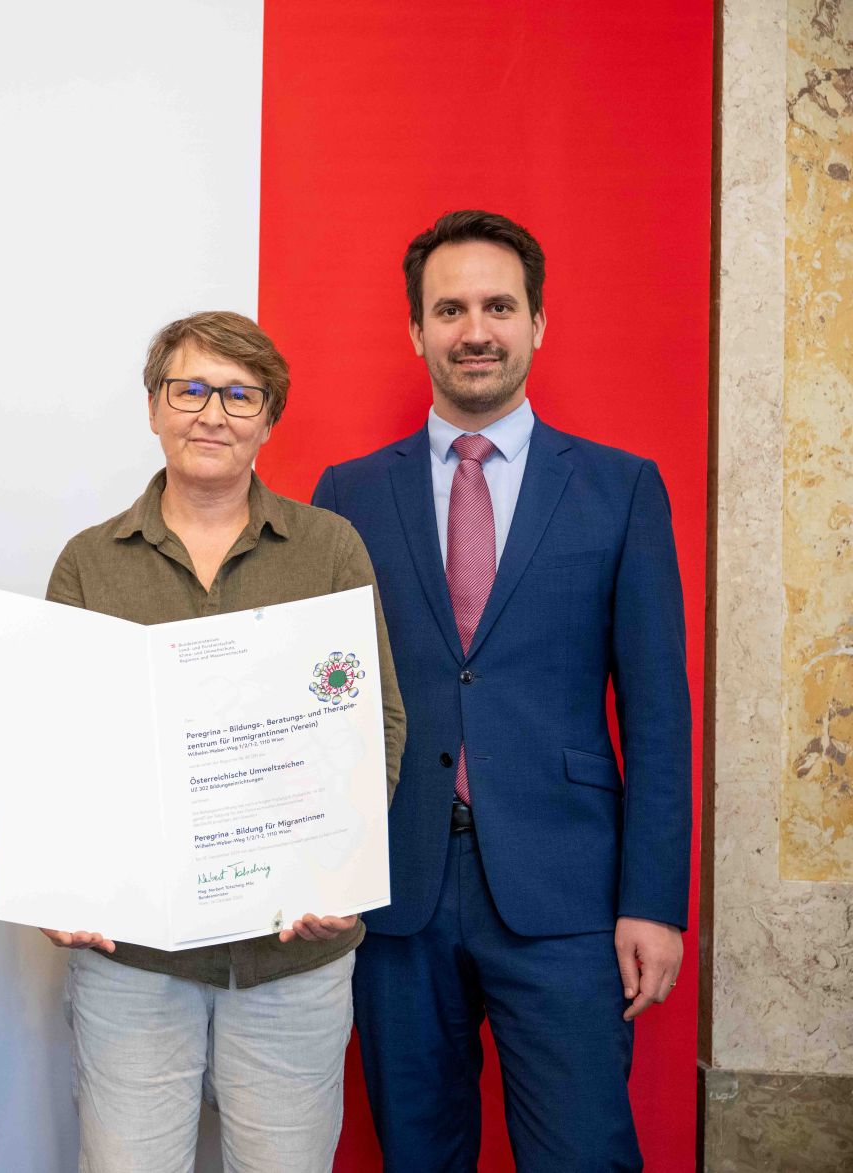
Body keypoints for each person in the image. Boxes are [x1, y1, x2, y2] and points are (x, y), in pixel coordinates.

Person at [312, 209, 691, 1171]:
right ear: (417, 331)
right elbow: (321, 705)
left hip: (568, 896)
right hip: (398, 896)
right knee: (418, 1153)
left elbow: (658, 716)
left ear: (537, 323)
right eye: (450, 308)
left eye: (497, 305)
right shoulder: (349, 495)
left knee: (583, 1152)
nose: (474, 328)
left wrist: (655, 901)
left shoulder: (621, 488)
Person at [41, 311, 406, 1173]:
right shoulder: (90, 562)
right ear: (155, 407)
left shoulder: (328, 549)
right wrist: (63, 878)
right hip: (134, 958)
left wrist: (337, 864)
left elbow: (377, 722)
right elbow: (58, 745)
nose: (213, 413)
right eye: (191, 389)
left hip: (293, 954)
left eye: (240, 395)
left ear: (269, 419)